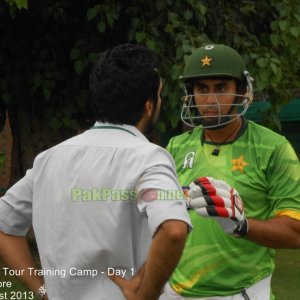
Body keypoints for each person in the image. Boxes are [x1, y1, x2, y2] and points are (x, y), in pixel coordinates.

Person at [0, 44, 192, 300]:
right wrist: (145, 294)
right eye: (159, 94)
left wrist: (43, 291)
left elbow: (4, 224)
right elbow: (173, 229)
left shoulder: (50, 158)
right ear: (149, 106)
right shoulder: (148, 158)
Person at [162, 44, 300, 300]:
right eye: (202, 89)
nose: (210, 99)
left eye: (221, 88)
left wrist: (243, 225)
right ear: (190, 94)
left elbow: (294, 232)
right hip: (175, 291)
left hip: (241, 292)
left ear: (242, 90)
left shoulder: (273, 148)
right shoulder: (176, 147)